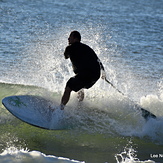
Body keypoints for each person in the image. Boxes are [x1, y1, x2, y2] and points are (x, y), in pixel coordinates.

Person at [60, 31, 106, 110]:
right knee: (81, 86)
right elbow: (98, 60)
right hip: (95, 75)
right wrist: (103, 73)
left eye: (70, 37)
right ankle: (79, 106)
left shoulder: (70, 47)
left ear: (75, 38)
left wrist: (68, 49)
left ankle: (60, 109)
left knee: (69, 86)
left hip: (86, 74)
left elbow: (66, 56)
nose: (68, 39)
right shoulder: (87, 47)